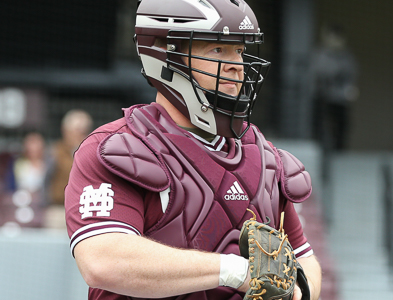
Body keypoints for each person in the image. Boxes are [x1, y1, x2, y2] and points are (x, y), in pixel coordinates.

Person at [65, 1, 322, 299]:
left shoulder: (262, 154)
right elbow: (103, 262)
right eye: (217, 49)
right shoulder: (120, 147)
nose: (236, 66)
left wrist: (299, 292)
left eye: (239, 51)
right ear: (164, 56)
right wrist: (234, 272)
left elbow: (303, 255)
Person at [310, 23, 359, 151]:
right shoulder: (320, 54)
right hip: (321, 98)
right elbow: (317, 73)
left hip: (339, 99)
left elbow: (351, 76)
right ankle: (321, 149)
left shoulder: (347, 57)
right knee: (319, 127)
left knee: (340, 127)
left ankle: (339, 151)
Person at [45, 109, 93, 228]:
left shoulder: (90, 151)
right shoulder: (55, 151)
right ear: (66, 131)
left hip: (84, 210)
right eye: (77, 130)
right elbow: (45, 180)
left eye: (84, 131)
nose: (81, 134)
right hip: (58, 209)